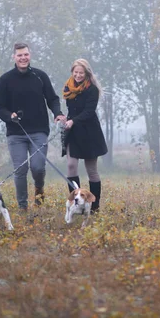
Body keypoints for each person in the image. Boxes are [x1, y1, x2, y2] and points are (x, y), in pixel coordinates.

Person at [0, 42, 65, 211]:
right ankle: (23, 207)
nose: (23, 58)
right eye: (19, 55)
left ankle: (39, 191)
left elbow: (52, 99)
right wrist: (9, 116)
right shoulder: (5, 79)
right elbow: (0, 107)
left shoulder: (40, 76)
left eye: (25, 54)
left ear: (30, 55)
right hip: (15, 133)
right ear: (14, 57)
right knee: (20, 169)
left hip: (39, 131)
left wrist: (57, 113)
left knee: (38, 167)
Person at [62, 58, 108, 212]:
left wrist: (73, 121)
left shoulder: (92, 89)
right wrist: (65, 119)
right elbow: (71, 110)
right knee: (71, 165)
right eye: (76, 72)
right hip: (73, 133)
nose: (78, 75)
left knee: (91, 170)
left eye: (81, 73)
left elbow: (89, 112)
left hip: (89, 133)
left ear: (87, 73)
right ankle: (74, 204)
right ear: (72, 72)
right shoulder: (68, 88)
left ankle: (94, 206)